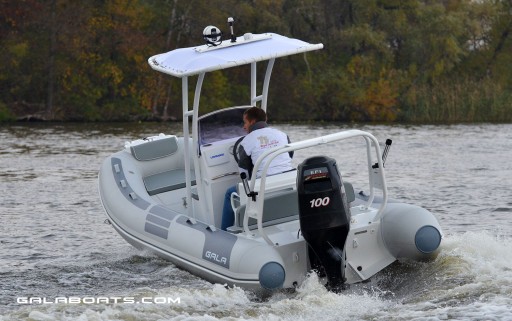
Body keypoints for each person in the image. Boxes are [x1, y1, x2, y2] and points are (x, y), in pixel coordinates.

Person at [221, 107, 293, 230]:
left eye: (245, 122)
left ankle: (223, 232)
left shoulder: (247, 141)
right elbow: (290, 156)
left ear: (253, 122)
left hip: (264, 184)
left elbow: (243, 172)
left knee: (230, 193)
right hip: (288, 179)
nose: (244, 127)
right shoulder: (282, 135)